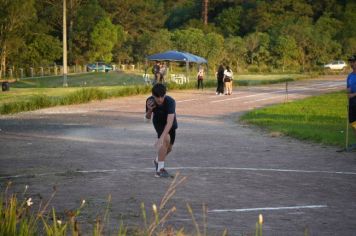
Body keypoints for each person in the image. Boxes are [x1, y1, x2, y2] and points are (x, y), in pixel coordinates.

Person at [145, 83, 178, 177]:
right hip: (159, 123)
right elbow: (147, 119)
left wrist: (161, 138)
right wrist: (150, 110)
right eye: (157, 97)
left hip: (170, 124)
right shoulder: (150, 101)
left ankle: (157, 161)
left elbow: (170, 122)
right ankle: (160, 170)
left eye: (162, 96)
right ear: (152, 95)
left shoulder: (170, 101)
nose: (160, 99)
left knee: (169, 148)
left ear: (165, 94)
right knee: (166, 139)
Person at [346, 54, 356, 149]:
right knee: (353, 122)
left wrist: (354, 94)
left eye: (353, 62)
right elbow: (348, 87)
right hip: (352, 101)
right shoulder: (350, 76)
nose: (351, 64)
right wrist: (348, 90)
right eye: (350, 62)